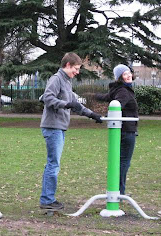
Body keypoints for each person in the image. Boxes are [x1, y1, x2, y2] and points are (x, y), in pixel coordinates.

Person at [39, 52, 103, 211]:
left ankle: (48, 198)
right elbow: (47, 98)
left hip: (60, 127)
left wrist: (92, 115)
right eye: (76, 68)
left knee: (54, 164)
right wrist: (65, 104)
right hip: (52, 126)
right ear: (67, 65)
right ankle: (47, 200)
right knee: (53, 164)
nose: (77, 72)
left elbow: (76, 104)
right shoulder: (56, 79)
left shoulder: (67, 82)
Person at [95, 64, 138, 195]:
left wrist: (92, 96)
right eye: (125, 74)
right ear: (120, 78)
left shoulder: (119, 89)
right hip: (127, 131)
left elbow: (107, 97)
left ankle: (118, 190)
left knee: (121, 161)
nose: (129, 75)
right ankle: (119, 191)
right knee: (124, 162)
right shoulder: (124, 91)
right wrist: (108, 117)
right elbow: (117, 105)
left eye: (129, 72)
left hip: (124, 130)